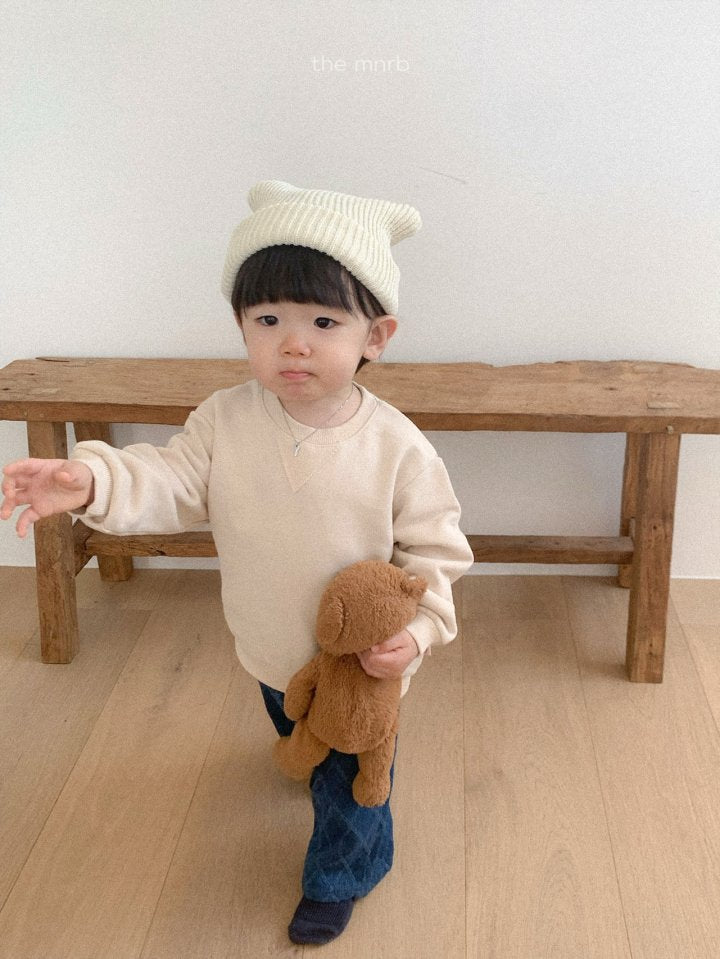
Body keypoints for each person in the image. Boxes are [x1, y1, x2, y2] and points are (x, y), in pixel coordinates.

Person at [1, 180, 474, 945]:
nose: (294, 342)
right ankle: (305, 756)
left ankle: (343, 871)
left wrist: (417, 634)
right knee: (292, 723)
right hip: (267, 646)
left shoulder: (397, 448)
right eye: (268, 320)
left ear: (377, 335)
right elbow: (171, 478)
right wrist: (91, 480)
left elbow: (438, 553)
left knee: (352, 779)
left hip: (359, 667)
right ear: (241, 325)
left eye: (324, 321)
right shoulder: (224, 419)